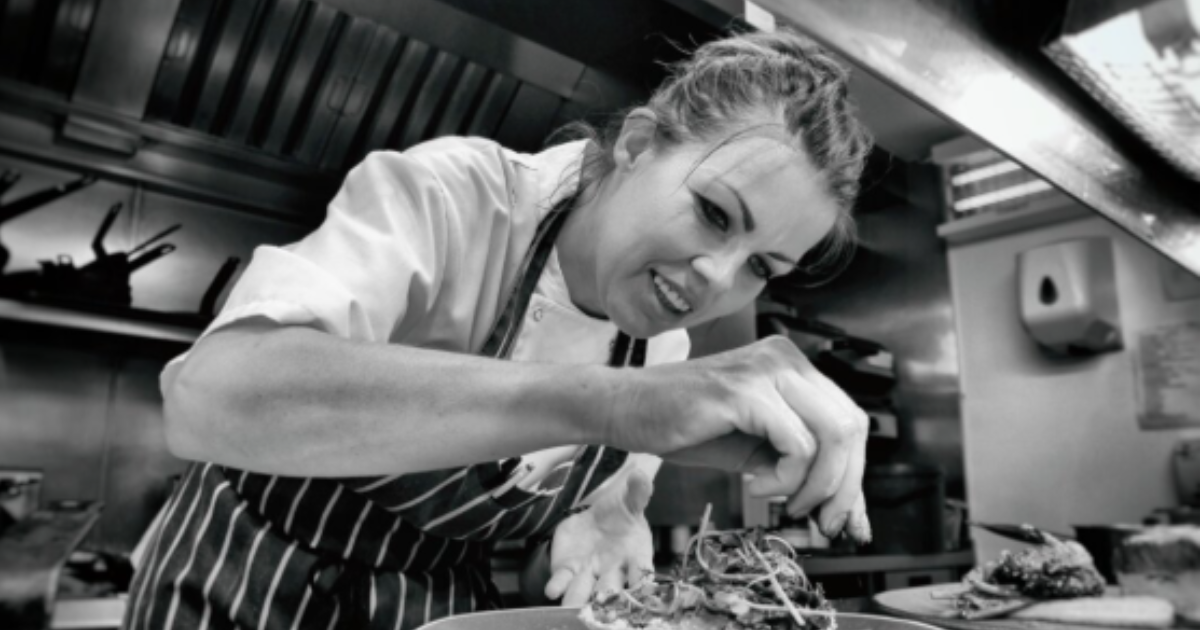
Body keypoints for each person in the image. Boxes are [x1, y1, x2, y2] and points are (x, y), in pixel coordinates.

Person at [125, 27, 873, 630]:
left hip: (436, 607)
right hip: (238, 584)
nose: (718, 278)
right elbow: (207, 395)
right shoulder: (456, 196)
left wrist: (608, 513)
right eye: (713, 213)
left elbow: (607, 493)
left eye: (762, 269)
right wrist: (608, 402)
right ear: (639, 144)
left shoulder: (661, 344)